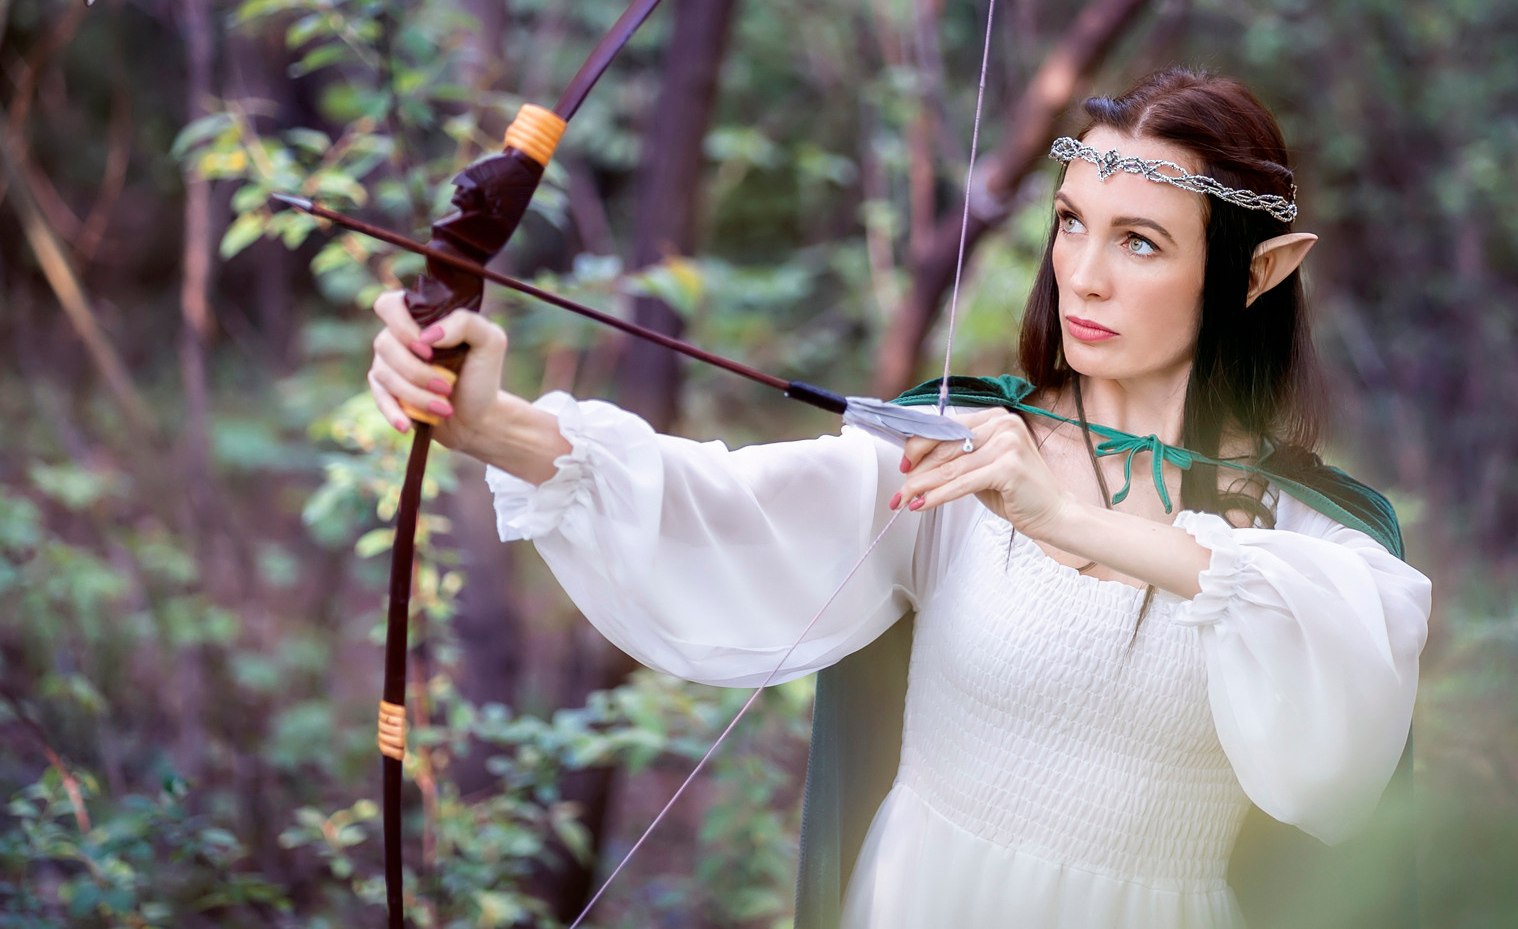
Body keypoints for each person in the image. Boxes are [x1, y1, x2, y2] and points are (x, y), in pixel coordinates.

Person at [366, 67, 1431, 929]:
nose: (1081, 274)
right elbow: (724, 506)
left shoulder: (1307, 539)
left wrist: (1062, 515)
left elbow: (1342, 738)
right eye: (1071, 222)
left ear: (1260, 270)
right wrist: (490, 423)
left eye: (1138, 241)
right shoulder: (962, 447)